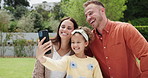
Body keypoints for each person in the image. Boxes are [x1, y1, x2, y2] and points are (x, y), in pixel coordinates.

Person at [83, 1, 148, 78]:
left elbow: (145, 54)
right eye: (86, 16)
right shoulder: (91, 39)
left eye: (90, 13)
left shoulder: (125, 29)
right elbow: (81, 58)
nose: (88, 18)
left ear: (102, 11)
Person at [36, 26, 103, 78]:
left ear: (85, 43)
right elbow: (56, 65)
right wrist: (41, 58)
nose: (75, 45)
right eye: (73, 42)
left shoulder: (93, 62)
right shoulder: (68, 59)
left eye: (78, 42)